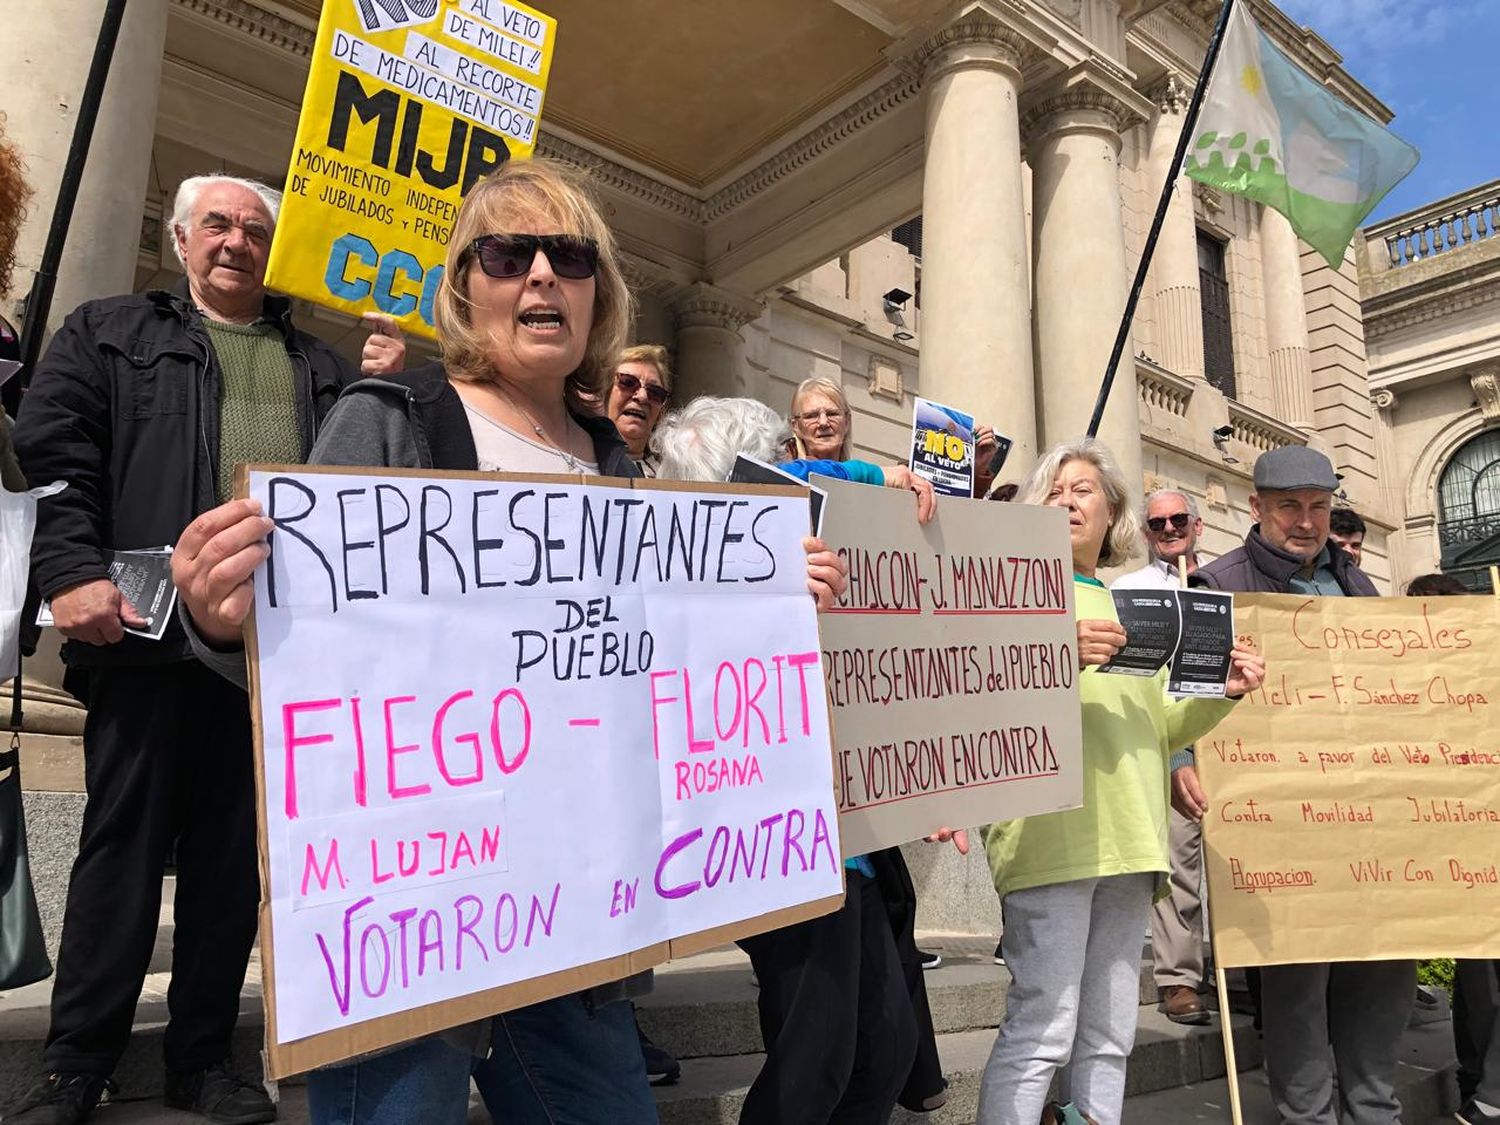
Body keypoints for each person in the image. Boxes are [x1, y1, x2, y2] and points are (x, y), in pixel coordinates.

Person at [169, 159, 849, 1125]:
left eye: (568, 257)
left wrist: (774, 604)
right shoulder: (389, 421)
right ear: (467, 287)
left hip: (572, 911)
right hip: (417, 914)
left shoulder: (622, 472)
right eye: (507, 252)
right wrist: (212, 610)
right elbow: (288, 645)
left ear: (597, 295)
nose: (540, 275)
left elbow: (659, 653)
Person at [8, 174, 404, 1125]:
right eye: (217, 225)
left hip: (275, 651)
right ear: (181, 240)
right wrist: (67, 572)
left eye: (256, 229)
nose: (236, 241)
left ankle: (202, 1055)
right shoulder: (110, 332)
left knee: (233, 862)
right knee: (121, 848)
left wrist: (386, 386)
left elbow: (367, 492)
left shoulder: (323, 363)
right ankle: (78, 1061)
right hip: (143, 637)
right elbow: (54, 456)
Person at [653, 393, 941, 1121]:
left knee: (886, 1046)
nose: (796, 469)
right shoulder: (686, 582)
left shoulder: (804, 538)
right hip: (779, 845)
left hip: (855, 845)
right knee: (813, 1062)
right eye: (780, 460)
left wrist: (885, 479)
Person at [977, 438, 1264, 1125]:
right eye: (1056, 488)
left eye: (1085, 490)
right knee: (1044, 1023)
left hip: (1132, 837)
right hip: (1051, 833)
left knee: (1109, 1032)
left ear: (1113, 514)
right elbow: (979, 695)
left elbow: (1158, 728)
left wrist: (1219, 693)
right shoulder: (1002, 587)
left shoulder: (1129, 602)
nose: (1070, 500)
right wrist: (1056, 654)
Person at [1182, 445, 1412, 1125]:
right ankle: (1307, 1118)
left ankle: (1376, 1112)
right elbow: (1184, 694)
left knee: (1381, 970)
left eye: (1318, 505)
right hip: (1278, 815)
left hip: (1371, 814)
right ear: (1256, 508)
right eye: (1290, 506)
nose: (1307, 520)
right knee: (1295, 983)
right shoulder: (1217, 585)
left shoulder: (1360, 585)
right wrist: (1179, 765)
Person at [1112, 490, 1211, 1027]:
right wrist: (1173, 751)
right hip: (1171, 739)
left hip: (1233, 733)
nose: (1169, 529)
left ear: (1197, 524)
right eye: (1157, 523)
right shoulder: (1130, 590)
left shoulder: (1222, 581)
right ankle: (1179, 979)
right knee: (1177, 864)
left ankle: (1238, 975)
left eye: (1178, 520)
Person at [607, 342, 670, 476]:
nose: (642, 397)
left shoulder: (673, 479)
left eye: (655, 392)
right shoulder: (575, 461)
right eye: (628, 382)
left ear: (659, 415)